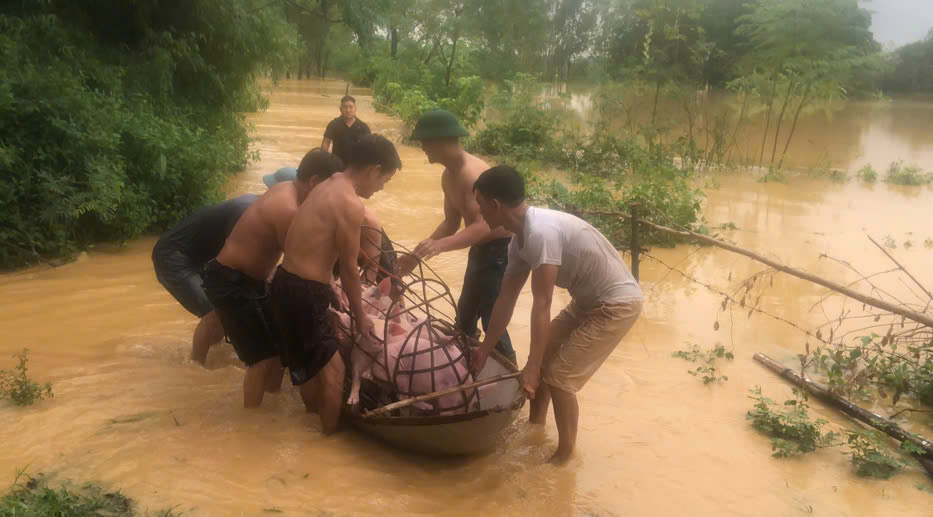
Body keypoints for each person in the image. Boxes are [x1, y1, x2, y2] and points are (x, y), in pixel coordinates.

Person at [469, 165, 643, 464]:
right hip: (586, 302)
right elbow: (505, 300)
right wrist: (485, 348)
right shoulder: (518, 241)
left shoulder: (541, 233)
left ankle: (564, 457)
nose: (480, 213)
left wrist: (534, 367)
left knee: (559, 376)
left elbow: (542, 303)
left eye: (481, 206)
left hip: (616, 304)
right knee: (544, 358)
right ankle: (535, 429)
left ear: (495, 205)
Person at [269, 134, 401, 435]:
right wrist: (361, 315)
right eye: (385, 180)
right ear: (373, 170)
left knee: (308, 368)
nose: (381, 187)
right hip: (305, 292)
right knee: (335, 373)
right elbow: (352, 270)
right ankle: (326, 447)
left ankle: (312, 422)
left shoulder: (326, 185)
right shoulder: (350, 203)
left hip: (284, 282)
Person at [202, 149, 344, 408]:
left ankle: (272, 405)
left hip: (248, 281)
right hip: (231, 281)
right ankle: (252, 424)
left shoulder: (287, 189)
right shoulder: (288, 209)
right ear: (314, 182)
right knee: (262, 358)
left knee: (278, 350)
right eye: (328, 188)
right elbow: (301, 264)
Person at [400, 109, 517, 364]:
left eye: (425, 143)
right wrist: (417, 255)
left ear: (441, 142)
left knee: (492, 316)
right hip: (480, 251)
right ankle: (467, 367)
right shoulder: (448, 176)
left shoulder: (471, 174)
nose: (422, 148)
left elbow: (484, 226)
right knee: (464, 317)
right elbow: (452, 223)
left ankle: (510, 375)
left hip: (500, 251)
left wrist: (440, 246)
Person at [152, 194, 257, 364]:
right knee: (216, 312)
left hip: (200, 257)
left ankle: (214, 355)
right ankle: (196, 367)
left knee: (225, 312)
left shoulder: (256, 207)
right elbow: (233, 256)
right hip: (173, 257)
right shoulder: (246, 210)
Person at [321, 95, 371, 164]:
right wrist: (324, 160)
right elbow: (326, 143)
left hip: (356, 165)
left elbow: (369, 147)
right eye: (345, 107)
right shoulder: (333, 125)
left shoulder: (363, 127)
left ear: (355, 109)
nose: (348, 110)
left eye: (351, 107)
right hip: (337, 164)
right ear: (340, 109)